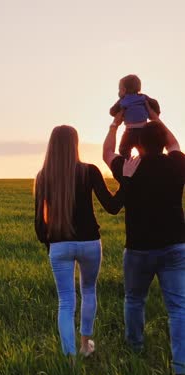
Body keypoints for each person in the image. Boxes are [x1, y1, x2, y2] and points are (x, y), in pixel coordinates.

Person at [35, 125, 139, 359]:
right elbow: (113, 207)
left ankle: (70, 358)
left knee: (65, 302)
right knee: (89, 291)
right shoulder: (90, 171)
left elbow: (39, 226)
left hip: (59, 245)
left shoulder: (43, 177)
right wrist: (127, 180)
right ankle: (85, 346)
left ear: (52, 146)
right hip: (90, 243)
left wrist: (51, 245)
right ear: (75, 144)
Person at [103, 107, 185, 375]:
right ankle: (181, 367)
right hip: (175, 245)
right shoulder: (177, 163)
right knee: (178, 307)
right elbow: (174, 143)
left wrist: (115, 125)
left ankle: (135, 351)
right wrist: (156, 118)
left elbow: (107, 154)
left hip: (139, 247)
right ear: (162, 142)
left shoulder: (130, 167)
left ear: (138, 144)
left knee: (135, 300)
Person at [109, 74, 160, 159]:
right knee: (144, 150)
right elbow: (155, 103)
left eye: (119, 90)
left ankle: (128, 161)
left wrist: (119, 112)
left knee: (123, 149)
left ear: (124, 90)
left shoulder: (122, 100)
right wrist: (156, 114)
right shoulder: (143, 97)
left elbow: (112, 111)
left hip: (130, 131)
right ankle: (144, 161)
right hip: (144, 130)